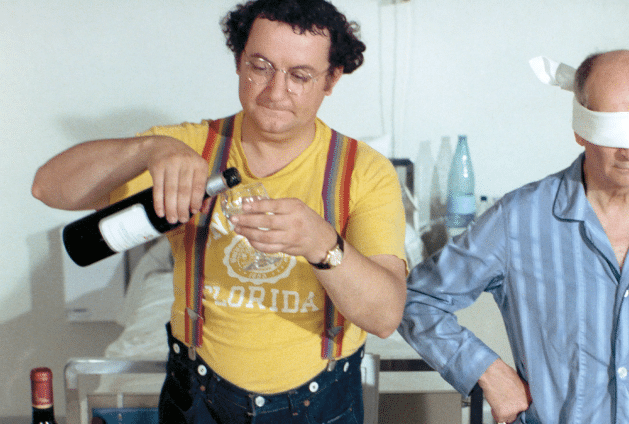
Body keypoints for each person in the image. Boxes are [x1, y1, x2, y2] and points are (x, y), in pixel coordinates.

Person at [32, 1, 407, 423]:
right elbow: (47, 187)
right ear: (239, 61)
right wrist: (148, 149)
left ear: (331, 78)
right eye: (260, 67)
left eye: (300, 75)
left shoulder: (364, 171)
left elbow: (384, 317)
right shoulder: (190, 148)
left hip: (323, 403)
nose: (276, 91)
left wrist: (321, 243)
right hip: (197, 398)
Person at [398, 50, 629, 424]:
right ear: (580, 129)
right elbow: (418, 299)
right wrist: (487, 372)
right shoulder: (518, 220)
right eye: (614, 131)